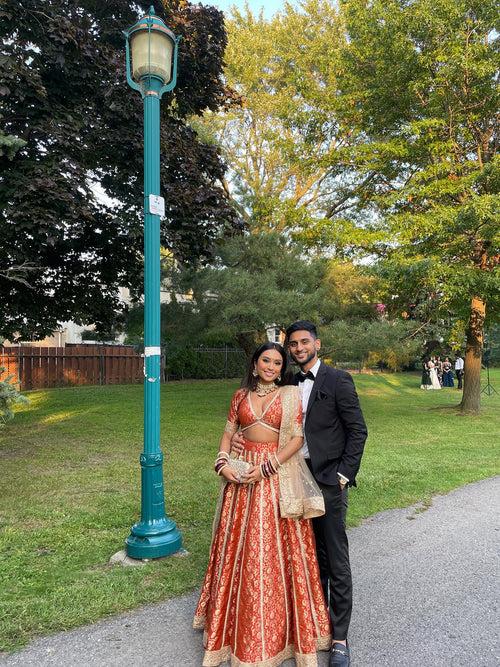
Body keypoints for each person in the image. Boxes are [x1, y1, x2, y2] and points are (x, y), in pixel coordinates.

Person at [233, 322, 368, 666]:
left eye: (304, 342)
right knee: (304, 558)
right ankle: (310, 626)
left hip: (325, 479)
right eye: (292, 344)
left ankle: (338, 639)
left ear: (317, 344)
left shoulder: (338, 380)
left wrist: (343, 475)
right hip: (288, 478)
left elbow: (357, 430)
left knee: (334, 558)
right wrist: (238, 441)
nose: (297, 348)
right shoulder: (286, 382)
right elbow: (261, 423)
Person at [194, 342, 331, 666]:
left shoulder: (288, 396)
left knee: (272, 551)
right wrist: (223, 462)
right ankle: (230, 632)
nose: (271, 366)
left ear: (281, 369)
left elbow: (297, 438)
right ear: (255, 365)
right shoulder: (239, 396)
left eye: (277, 362)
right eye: (265, 361)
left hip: (274, 479)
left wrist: (267, 467)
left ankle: (284, 634)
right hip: (240, 480)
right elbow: (229, 434)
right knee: (236, 550)